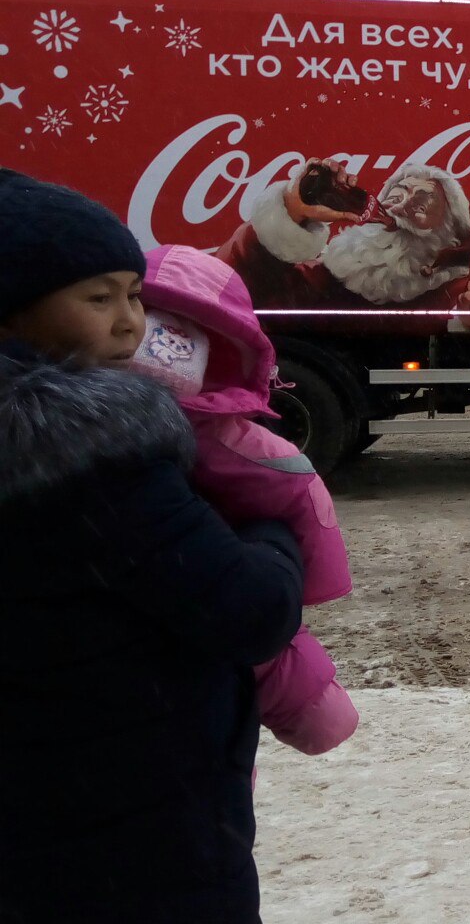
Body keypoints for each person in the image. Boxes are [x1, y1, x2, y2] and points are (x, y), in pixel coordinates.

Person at [0, 170, 305, 923]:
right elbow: (249, 609)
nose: (131, 324)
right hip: (126, 830)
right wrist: (269, 531)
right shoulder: (85, 456)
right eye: (98, 298)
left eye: (135, 295)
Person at [130, 244, 360, 755]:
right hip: (185, 763)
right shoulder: (234, 453)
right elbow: (303, 495)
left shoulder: (50, 444)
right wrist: (305, 575)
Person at [219, 159, 470, 330]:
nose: (401, 203)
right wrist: (293, 211)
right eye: (399, 190)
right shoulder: (330, 276)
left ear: (450, 237)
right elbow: (225, 289)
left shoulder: (461, 290)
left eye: (423, 199)